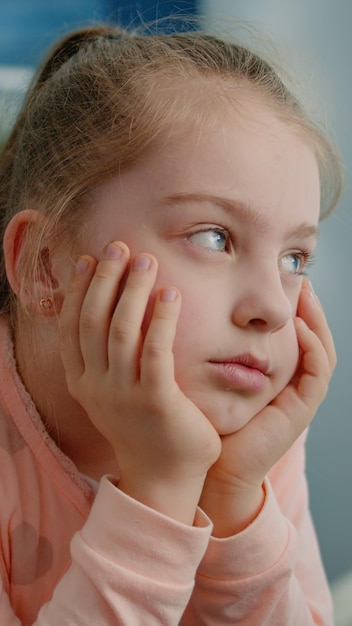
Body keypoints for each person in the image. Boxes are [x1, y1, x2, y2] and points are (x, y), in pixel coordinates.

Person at [0, 20, 342, 626]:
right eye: (214, 236)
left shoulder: (248, 427)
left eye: (294, 258)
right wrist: (159, 491)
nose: (273, 307)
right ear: (45, 268)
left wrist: (234, 499)